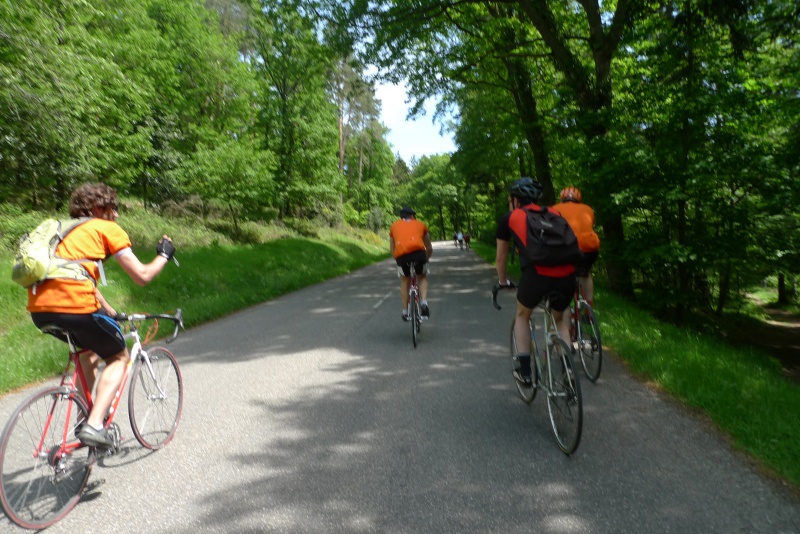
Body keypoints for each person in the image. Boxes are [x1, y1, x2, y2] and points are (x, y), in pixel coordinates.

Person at [26, 182, 176, 449]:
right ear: (97, 208)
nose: (117, 215)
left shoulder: (63, 231)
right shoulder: (105, 228)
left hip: (40, 309)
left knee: (91, 353)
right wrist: (163, 256)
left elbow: (74, 275)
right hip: (74, 306)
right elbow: (142, 276)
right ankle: (94, 425)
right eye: (113, 208)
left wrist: (108, 310)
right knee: (119, 357)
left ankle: (88, 415)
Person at [495, 177, 577, 385]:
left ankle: (524, 372)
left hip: (537, 276)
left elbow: (501, 258)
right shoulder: (555, 213)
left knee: (522, 315)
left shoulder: (509, 218)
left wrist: (503, 281)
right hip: (568, 276)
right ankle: (569, 371)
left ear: (515, 199)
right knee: (559, 320)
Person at [551, 186, 600, 307]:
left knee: (563, 274)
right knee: (585, 273)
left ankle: (565, 306)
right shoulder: (588, 209)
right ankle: (589, 308)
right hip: (590, 249)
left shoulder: (554, 209)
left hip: (566, 247)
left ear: (562, 198)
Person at [390, 207, 433, 321]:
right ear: (413, 216)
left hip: (402, 257)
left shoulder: (394, 226)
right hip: (419, 254)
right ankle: (423, 302)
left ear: (401, 217)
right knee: (422, 276)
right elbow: (428, 247)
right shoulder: (421, 225)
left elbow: (392, 249)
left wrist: (398, 261)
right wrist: (426, 258)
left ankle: (405, 311)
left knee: (405, 280)